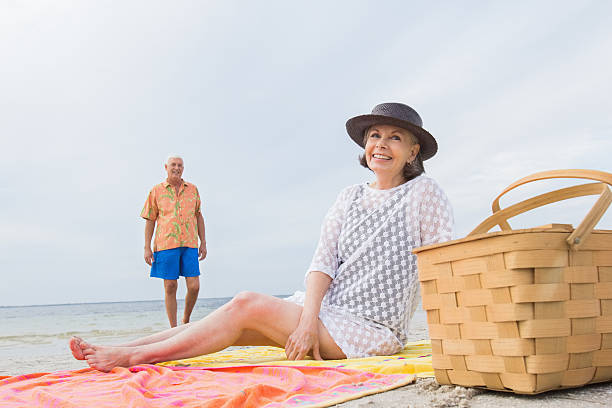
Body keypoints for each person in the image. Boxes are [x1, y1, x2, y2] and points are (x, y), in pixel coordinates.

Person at [69, 103, 453, 372]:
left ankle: (132, 359)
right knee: (226, 324)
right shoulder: (348, 196)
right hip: (322, 313)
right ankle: (124, 348)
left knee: (246, 302)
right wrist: (306, 321)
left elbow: (441, 264)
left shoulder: (424, 193)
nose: (381, 144)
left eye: (395, 138)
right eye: (375, 135)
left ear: (413, 151)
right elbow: (322, 264)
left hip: (370, 329)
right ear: (365, 145)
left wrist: (453, 333)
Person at [141, 155, 207, 327]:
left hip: (190, 243)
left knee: (194, 286)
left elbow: (198, 216)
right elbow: (150, 219)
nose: (176, 168)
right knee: (170, 286)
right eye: (173, 165)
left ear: (183, 168)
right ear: (166, 167)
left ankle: (185, 319)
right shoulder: (156, 191)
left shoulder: (193, 189)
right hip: (165, 244)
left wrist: (203, 242)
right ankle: (173, 328)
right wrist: (147, 247)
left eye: (180, 165)